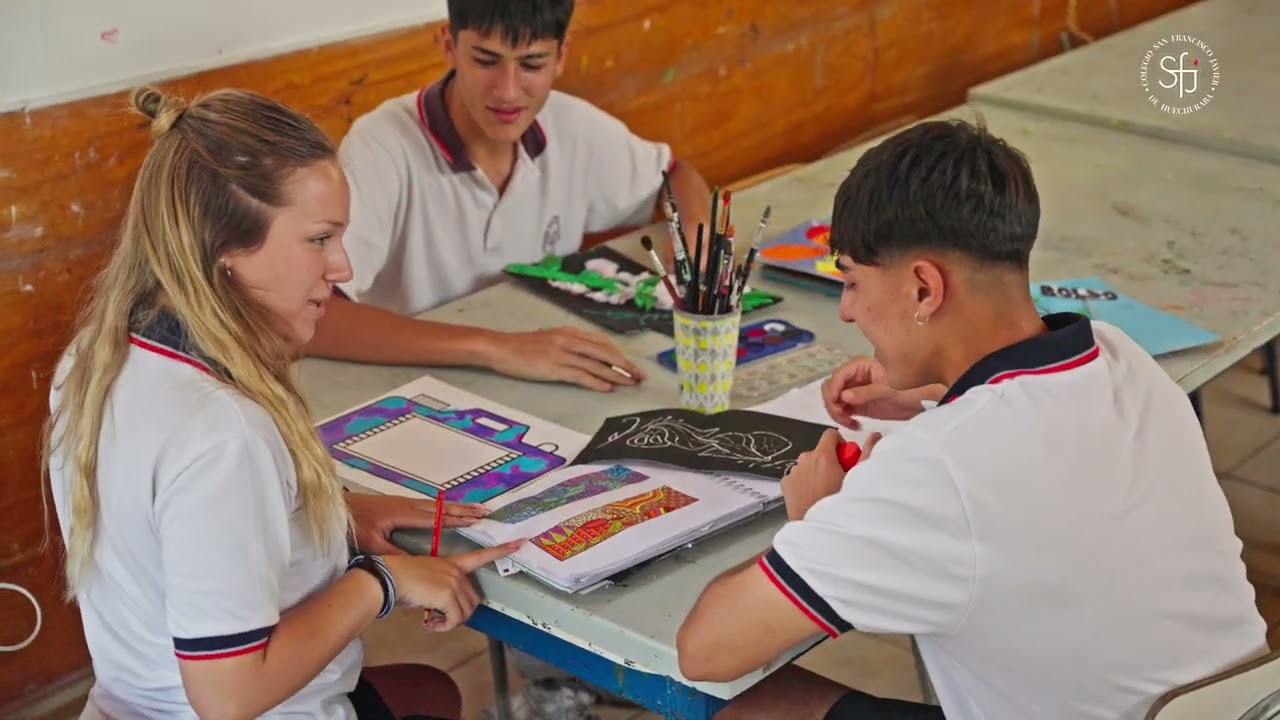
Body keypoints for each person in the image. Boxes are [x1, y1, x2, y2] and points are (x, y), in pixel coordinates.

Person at [674, 117, 1269, 719]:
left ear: (925, 288)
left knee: (745, 706)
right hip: (1238, 705)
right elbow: (1018, 429)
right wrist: (931, 390)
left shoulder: (939, 467)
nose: (848, 311)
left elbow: (706, 650)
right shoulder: (1119, 355)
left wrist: (815, 522)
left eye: (851, 280)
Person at [42, 86, 523, 720]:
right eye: (320, 239)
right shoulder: (223, 433)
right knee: (430, 695)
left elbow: (177, 536)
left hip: (130, 703)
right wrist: (381, 583)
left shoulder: (96, 355)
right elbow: (228, 695)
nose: (343, 266)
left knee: (431, 691)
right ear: (227, 251)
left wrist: (321, 514)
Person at [305, 0, 714, 394]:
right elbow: (308, 318)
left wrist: (695, 231)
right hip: (406, 385)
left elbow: (674, 175)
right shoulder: (383, 145)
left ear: (560, 56)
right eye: (485, 60)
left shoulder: (570, 124)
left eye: (532, 63)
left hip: (539, 376)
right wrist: (495, 347)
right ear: (449, 45)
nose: (508, 90)